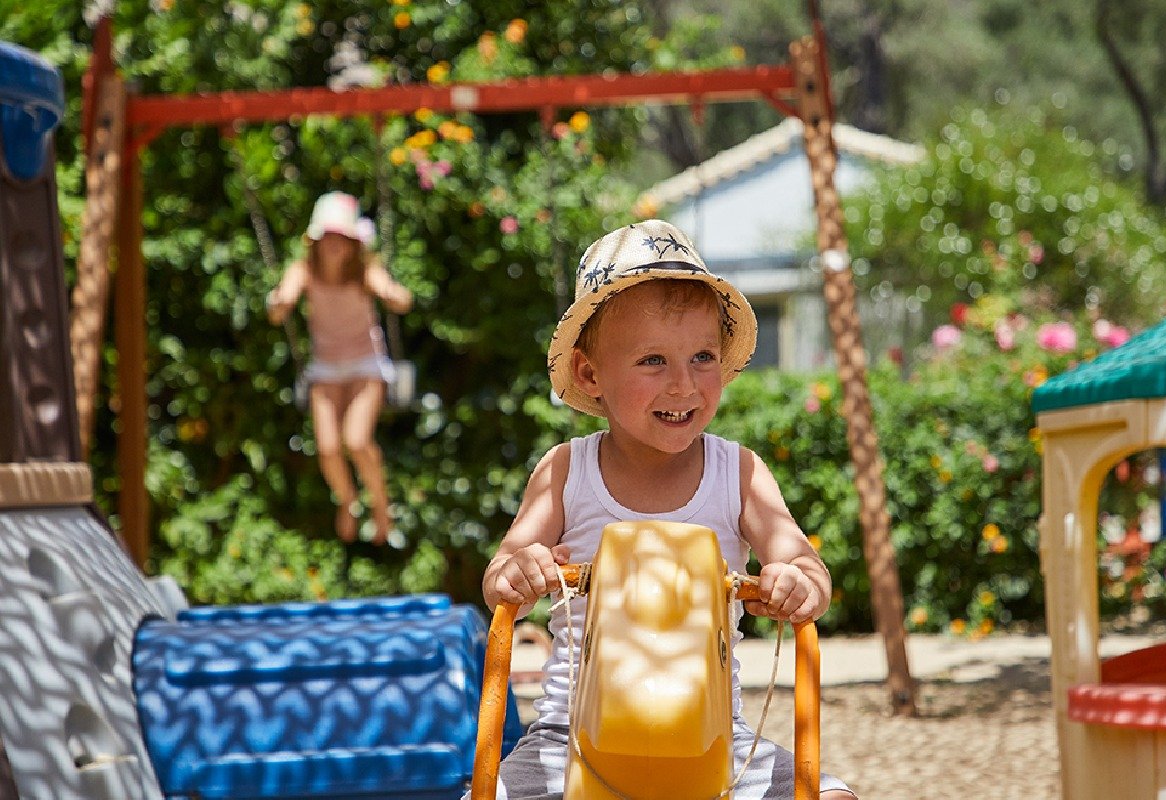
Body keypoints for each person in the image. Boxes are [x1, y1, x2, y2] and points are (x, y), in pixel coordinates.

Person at [474, 220, 856, 798]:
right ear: (589, 373)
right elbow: (500, 578)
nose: (684, 385)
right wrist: (520, 572)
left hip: (710, 736)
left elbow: (807, 566)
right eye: (653, 360)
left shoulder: (739, 474)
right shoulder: (564, 473)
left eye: (702, 356)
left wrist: (797, 584)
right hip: (571, 734)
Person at [266, 191, 413, 546]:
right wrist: (280, 302)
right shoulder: (303, 270)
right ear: (315, 242)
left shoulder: (365, 271)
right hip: (325, 367)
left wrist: (393, 295)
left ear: (352, 244)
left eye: (341, 238)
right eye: (327, 237)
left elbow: (399, 297)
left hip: (366, 364)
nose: (334, 245)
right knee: (328, 447)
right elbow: (278, 305)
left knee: (357, 440)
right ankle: (348, 500)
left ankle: (381, 506)